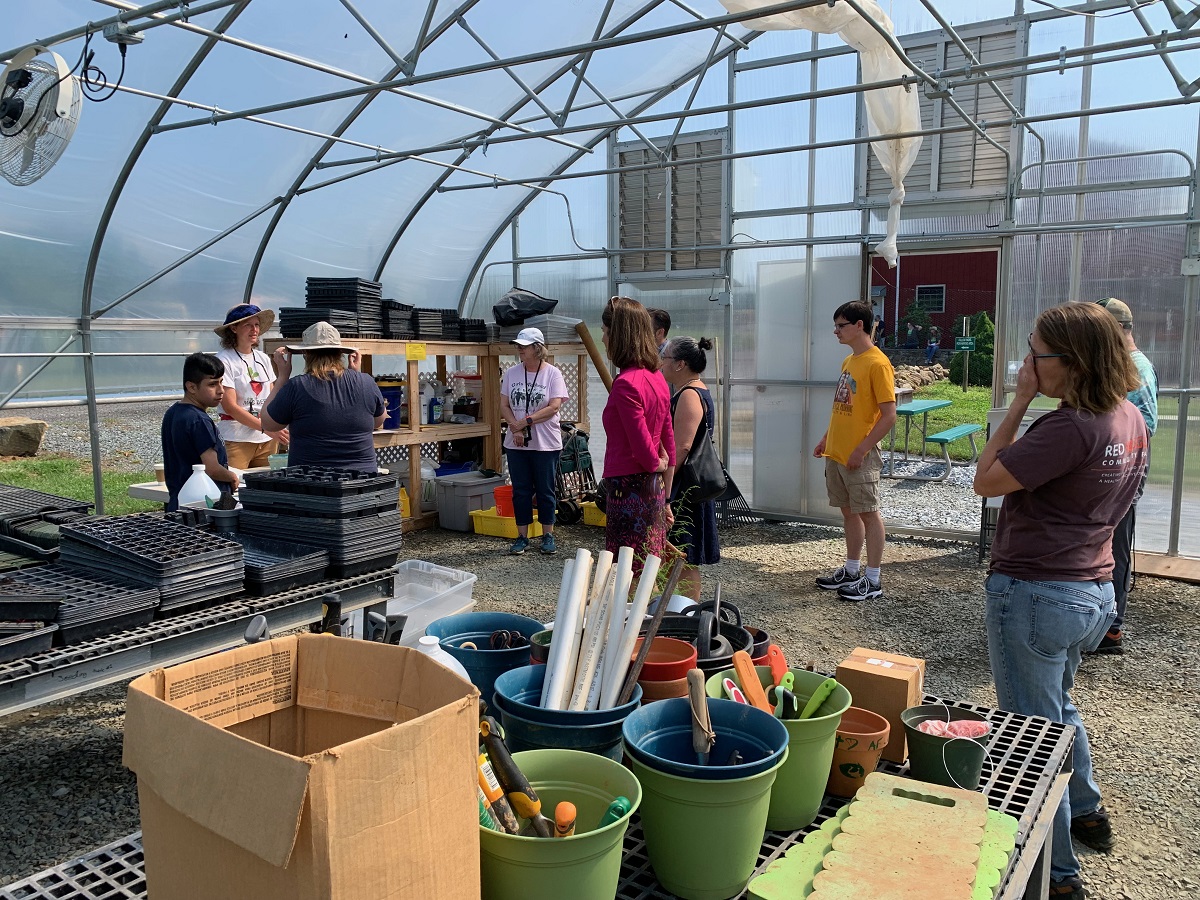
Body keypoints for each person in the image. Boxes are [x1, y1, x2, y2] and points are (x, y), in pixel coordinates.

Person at [973, 301, 1148, 900]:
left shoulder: (1067, 427)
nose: (1027, 364)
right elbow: (1125, 506)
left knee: (1027, 737)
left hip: (1036, 592)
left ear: (1069, 363)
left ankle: (1059, 873)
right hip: (1092, 590)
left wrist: (1018, 403)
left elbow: (986, 480)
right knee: (1057, 712)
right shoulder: (1127, 417)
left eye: (1035, 354)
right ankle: (1089, 810)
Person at [813, 302, 897, 602]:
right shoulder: (849, 362)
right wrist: (826, 438)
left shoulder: (877, 363)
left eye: (841, 325)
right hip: (837, 453)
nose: (836, 331)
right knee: (849, 513)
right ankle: (851, 570)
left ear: (859, 325)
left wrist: (861, 449)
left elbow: (889, 415)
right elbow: (843, 407)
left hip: (858, 455)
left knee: (869, 514)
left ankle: (872, 579)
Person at [1093, 297, 1158, 654]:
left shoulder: (1136, 370)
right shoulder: (1121, 365)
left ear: (1119, 329)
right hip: (1111, 472)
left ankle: (1111, 628)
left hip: (1121, 474)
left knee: (1114, 547)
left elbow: (1143, 427)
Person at [601, 297, 675, 578]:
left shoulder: (626, 384)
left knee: (625, 574)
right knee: (647, 568)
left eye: (606, 332)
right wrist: (666, 497)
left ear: (619, 335)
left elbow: (646, 452)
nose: (604, 339)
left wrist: (657, 464)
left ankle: (629, 622)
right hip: (652, 492)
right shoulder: (656, 377)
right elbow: (668, 442)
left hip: (627, 492)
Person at [261, 322, 386, 471]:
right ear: (340, 354)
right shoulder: (366, 382)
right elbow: (378, 421)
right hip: (361, 481)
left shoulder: (297, 386)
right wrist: (356, 376)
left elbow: (268, 423)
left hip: (312, 483)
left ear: (307, 354)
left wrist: (282, 377)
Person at [500, 327, 569, 556]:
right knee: (520, 489)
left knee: (545, 489)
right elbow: (504, 405)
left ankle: (547, 533)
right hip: (516, 442)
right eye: (518, 345)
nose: (520, 349)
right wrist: (515, 427)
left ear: (537, 348)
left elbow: (554, 406)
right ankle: (522, 536)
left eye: (524, 345)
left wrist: (526, 422)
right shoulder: (511, 373)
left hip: (545, 442)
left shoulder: (553, 374)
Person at [661, 336, 720, 600]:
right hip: (688, 483)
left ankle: (685, 613)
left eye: (666, 358)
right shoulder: (695, 389)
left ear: (680, 364)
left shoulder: (688, 395)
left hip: (685, 486)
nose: (662, 362)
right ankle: (676, 609)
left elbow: (682, 447)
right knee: (679, 553)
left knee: (682, 554)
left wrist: (666, 485)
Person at [161, 352, 240, 512]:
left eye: (221, 382)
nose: (221, 390)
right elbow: (211, 468)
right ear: (191, 387)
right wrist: (232, 477)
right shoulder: (199, 420)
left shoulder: (174, 412)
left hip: (179, 502)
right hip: (203, 506)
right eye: (212, 385)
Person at [213, 303, 289, 469]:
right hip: (236, 438)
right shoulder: (224, 360)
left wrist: (276, 426)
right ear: (233, 328)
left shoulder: (262, 359)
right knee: (234, 487)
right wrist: (266, 428)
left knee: (265, 489)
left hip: (266, 440)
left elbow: (271, 398)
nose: (254, 330)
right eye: (247, 325)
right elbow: (230, 407)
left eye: (256, 325)